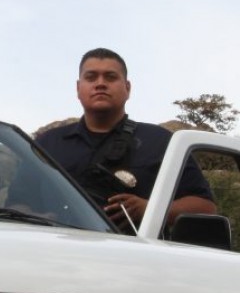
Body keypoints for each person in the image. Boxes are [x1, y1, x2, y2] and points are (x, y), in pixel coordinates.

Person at [36, 47, 215, 233]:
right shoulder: (47, 144)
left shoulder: (161, 142)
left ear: (127, 88)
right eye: (91, 77)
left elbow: (205, 207)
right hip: (53, 248)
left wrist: (149, 209)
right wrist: (40, 218)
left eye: (110, 77)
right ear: (78, 88)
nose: (100, 84)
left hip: (135, 250)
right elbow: (20, 200)